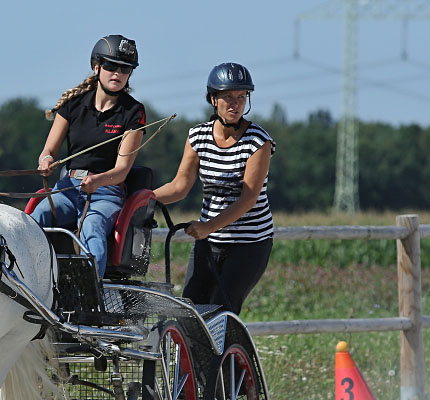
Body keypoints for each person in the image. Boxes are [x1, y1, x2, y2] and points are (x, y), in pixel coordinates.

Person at [152, 62, 275, 315]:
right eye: (228, 97)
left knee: (221, 310)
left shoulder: (258, 141)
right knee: (190, 310)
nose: (235, 104)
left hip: (249, 243)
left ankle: (227, 355)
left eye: (241, 97)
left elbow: (248, 199)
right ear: (213, 99)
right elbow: (180, 186)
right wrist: (144, 198)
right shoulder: (198, 137)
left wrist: (208, 226)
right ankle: (196, 356)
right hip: (210, 242)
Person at [31, 35, 146, 278]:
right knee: (36, 217)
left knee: (92, 226)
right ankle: (28, 282)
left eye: (125, 69)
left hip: (106, 192)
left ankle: (93, 296)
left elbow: (122, 170)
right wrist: (46, 161)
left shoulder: (133, 112)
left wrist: (98, 181)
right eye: (111, 66)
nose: (117, 73)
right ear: (97, 67)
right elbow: (49, 151)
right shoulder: (73, 104)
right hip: (68, 188)